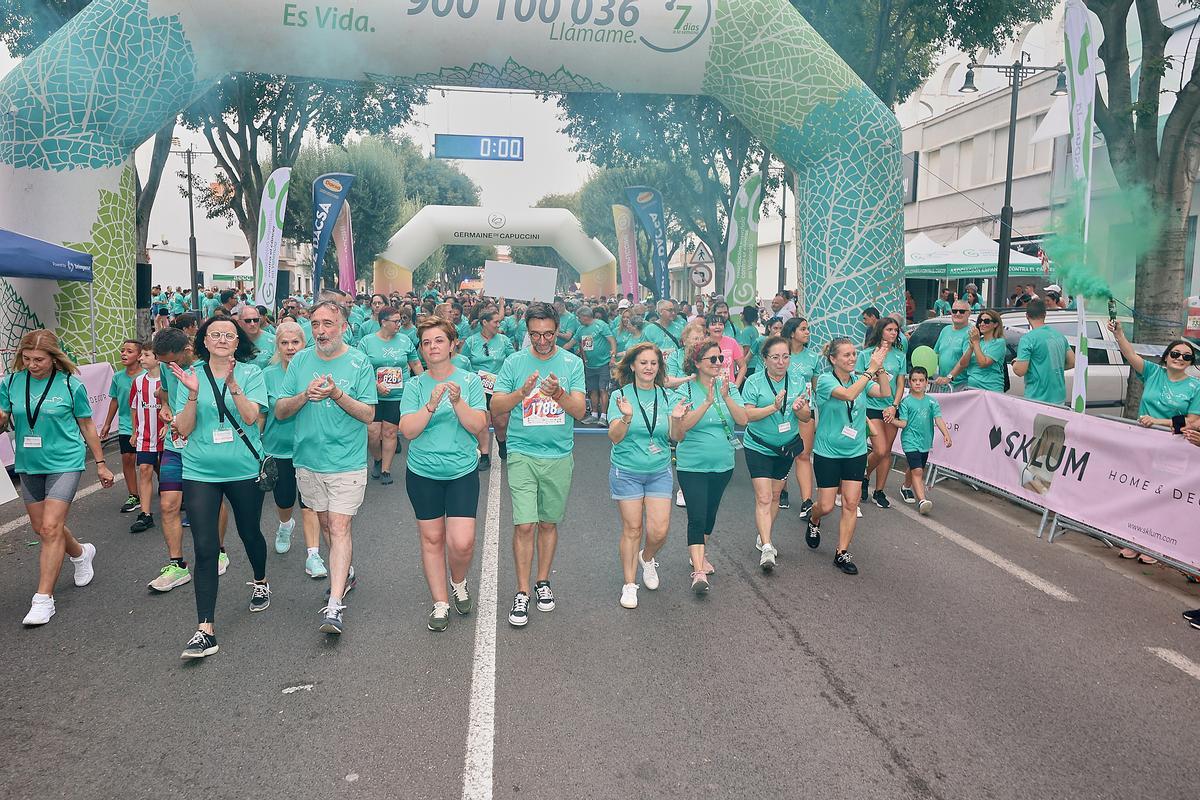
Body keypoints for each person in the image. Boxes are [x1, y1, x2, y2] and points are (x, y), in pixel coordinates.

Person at [167, 317, 271, 659]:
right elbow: (183, 428)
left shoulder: (252, 373)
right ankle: (205, 629)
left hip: (243, 469)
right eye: (215, 334)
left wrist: (234, 385)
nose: (223, 339)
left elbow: (252, 417)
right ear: (205, 341)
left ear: (237, 342)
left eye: (229, 335)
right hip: (200, 470)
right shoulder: (190, 375)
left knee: (249, 532)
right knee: (205, 545)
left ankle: (260, 581)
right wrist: (192, 394)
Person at [276, 300, 378, 635]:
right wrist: (304, 396)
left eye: (328, 324)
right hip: (308, 460)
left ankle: (334, 605)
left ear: (344, 327)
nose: (320, 331)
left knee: (338, 526)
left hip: (347, 461)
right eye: (316, 324)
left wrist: (337, 394)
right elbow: (280, 411)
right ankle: (345, 571)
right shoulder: (300, 361)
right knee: (324, 523)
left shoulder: (359, 362)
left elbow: (368, 414)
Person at [0, 331, 111, 625]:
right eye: (27, 359)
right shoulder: (11, 383)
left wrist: (101, 464)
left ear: (53, 358)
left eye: (38, 359)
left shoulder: (70, 384)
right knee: (43, 528)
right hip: (28, 463)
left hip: (65, 462)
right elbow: (3, 418)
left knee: (50, 527)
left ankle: (43, 599)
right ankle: (81, 553)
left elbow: (87, 425)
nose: (32, 365)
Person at [490, 302, 586, 628]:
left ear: (557, 330)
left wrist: (558, 394)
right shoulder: (515, 362)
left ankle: (542, 582)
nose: (542, 341)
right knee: (525, 525)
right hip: (522, 453)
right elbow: (496, 405)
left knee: (547, 523)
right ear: (527, 332)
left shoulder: (572, 363)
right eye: (535, 335)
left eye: (548, 334)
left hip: (558, 455)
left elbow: (580, 411)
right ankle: (521, 592)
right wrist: (522, 392)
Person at [398, 318, 488, 631]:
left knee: (462, 542)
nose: (432, 347)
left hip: (461, 471)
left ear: (452, 345)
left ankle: (458, 581)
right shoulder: (414, 385)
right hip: (423, 473)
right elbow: (408, 430)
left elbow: (478, 425)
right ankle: (440, 603)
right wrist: (431, 405)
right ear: (421, 350)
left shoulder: (469, 381)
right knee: (432, 538)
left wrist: (457, 400)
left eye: (439, 340)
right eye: (426, 342)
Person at [607, 343, 685, 608]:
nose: (649, 367)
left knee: (659, 531)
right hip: (627, 470)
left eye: (653, 363)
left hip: (659, 470)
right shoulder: (620, 396)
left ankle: (647, 558)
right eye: (643, 363)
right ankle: (630, 584)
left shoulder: (666, 396)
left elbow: (677, 437)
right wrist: (626, 417)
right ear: (632, 366)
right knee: (633, 529)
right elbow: (614, 437)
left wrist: (677, 420)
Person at [805, 338, 890, 575]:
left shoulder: (859, 379)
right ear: (833, 359)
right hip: (828, 452)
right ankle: (814, 519)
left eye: (854, 354)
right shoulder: (825, 381)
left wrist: (880, 368)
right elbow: (849, 395)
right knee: (826, 506)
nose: (852, 358)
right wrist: (870, 370)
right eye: (846, 355)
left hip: (856, 451)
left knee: (851, 503)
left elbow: (885, 392)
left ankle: (841, 552)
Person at [673, 338, 748, 593]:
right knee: (696, 516)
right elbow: (681, 428)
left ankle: (698, 553)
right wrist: (706, 402)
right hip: (692, 465)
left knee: (709, 515)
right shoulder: (685, 390)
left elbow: (743, 419)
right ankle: (698, 571)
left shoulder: (729, 387)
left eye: (721, 358)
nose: (718, 363)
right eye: (712, 359)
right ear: (697, 363)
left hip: (723, 463)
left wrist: (725, 397)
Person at [741, 336, 812, 571]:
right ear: (765, 359)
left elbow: (806, 417)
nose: (781, 362)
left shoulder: (798, 380)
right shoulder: (754, 382)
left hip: (786, 447)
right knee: (763, 497)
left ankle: (764, 535)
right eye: (775, 357)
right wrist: (773, 407)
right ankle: (767, 547)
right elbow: (747, 416)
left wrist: (800, 410)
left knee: (774, 495)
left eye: (785, 357)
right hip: (759, 446)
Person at [263, 321, 326, 576]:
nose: (290, 347)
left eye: (295, 342)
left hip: (309, 447)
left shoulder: (316, 372)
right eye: (285, 343)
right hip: (279, 448)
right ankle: (285, 524)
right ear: (277, 346)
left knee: (309, 502)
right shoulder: (267, 375)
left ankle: (313, 555)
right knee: (284, 499)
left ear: (304, 343)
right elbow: (262, 414)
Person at [358, 306, 422, 484]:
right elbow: (360, 370)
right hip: (373, 395)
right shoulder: (367, 342)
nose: (399, 324)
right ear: (383, 322)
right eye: (395, 321)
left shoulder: (405, 341)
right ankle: (377, 459)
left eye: (400, 320)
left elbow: (415, 363)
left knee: (390, 432)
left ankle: (386, 469)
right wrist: (375, 384)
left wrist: (424, 381)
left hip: (397, 395)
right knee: (372, 433)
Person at [859, 318, 907, 509]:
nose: (893, 333)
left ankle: (879, 491)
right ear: (880, 331)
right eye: (889, 329)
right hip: (871, 406)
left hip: (891, 408)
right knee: (879, 449)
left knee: (886, 451)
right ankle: (864, 475)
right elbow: (859, 382)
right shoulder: (865, 354)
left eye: (896, 330)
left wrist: (894, 405)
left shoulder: (900, 355)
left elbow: (901, 384)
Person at [891, 367, 952, 514]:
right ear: (909, 383)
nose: (917, 383)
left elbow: (938, 419)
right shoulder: (906, 402)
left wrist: (946, 434)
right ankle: (922, 501)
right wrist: (891, 420)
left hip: (925, 442)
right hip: (910, 441)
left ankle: (905, 487)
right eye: (914, 380)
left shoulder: (932, 401)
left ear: (926, 383)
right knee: (917, 470)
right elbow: (903, 423)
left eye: (921, 380)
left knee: (916, 468)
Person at [461, 307, 514, 467]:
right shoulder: (471, 341)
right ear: (484, 322)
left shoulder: (504, 340)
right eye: (496, 322)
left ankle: (501, 441)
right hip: (479, 388)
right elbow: (463, 363)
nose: (499, 325)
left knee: (501, 423)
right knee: (482, 423)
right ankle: (484, 455)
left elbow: (513, 361)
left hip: (500, 387)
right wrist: (471, 377)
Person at [781, 316, 820, 516]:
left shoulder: (813, 357)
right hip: (782, 410)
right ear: (791, 332)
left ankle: (807, 501)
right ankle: (782, 490)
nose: (807, 332)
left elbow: (816, 386)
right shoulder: (780, 354)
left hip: (806, 409)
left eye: (808, 329)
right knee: (783, 452)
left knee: (803, 454)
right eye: (803, 329)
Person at [101, 338, 143, 515]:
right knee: (127, 457)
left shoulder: (147, 375)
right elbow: (115, 400)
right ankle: (134, 495)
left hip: (147, 424)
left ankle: (167, 487)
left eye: (129, 351)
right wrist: (107, 424)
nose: (124, 354)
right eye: (123, 350)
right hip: (126, 424)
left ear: (139, 356)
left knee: (152, 462)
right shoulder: (117, 377)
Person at [128, 344, 164, 534]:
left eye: (146, 355)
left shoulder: (168, 380)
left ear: (158, 359)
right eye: (141, 355)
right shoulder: (138, 382)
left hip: (167, 436)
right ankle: (145, 514)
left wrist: (169, 425)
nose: (141, 358)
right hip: (145, 435)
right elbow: (134, 408)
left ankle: (177, 503)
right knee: (144, 470)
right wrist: (135, 432)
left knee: (167, 473)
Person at [1012, 299, 1073, 405]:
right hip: (1059, 398)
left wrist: (1014, 363)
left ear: (1027, 316)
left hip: (1037, 399)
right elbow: (1072, 362)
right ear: (1044, 314)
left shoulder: (1028, 339)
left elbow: (1020, 371)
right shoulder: (1059, 335)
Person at [945, 309, 1006, 394]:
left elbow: (983, 363)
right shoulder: (978, 340)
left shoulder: (998, 342)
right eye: (980, 321)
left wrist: (976, 343)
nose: (982, 324)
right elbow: (963, 364)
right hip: (972, 388)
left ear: (995, 324)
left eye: (986, 321)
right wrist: (971, 348)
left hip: (991, 389)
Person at [574, 305, 617, 425]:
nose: (578, 320)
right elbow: (576, 342)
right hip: (590, 366)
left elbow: (612, 340)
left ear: (584, 316)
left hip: (603, 364)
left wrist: (613, 357)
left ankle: (603, 416)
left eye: (579, 317)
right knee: (592, 390)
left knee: (603, 389)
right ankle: (594, 414)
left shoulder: (601, 325)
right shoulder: (580, 329)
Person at [932, 300, 974, 390]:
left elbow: (964, 362)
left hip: (961, 386)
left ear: (969, 313)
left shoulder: (971, 333)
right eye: (954, 311)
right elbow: (935, 354)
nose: (957, 314)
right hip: (942, 384)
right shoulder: (945, 330)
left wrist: (949, 377)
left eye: (962, 311)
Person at [704, 313, 745, 385]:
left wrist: (736, 386)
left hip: (729, 387)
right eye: (713, 324)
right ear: (707, 329)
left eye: (720, 324)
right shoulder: (702, 344)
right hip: (708, 387)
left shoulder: (732, 342)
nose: (717, 327)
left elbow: (743, 366)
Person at [237, 305, 275, 370]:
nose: (252, 324)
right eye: (248, 321)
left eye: (256, 320)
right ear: (239, 323)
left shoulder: (274, 341)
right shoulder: (234, 341)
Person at [737, 306, 763, 379]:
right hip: (755, 363)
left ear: (744, 316)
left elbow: (746, 348)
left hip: (749, 364)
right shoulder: (754, 329)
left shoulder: (746, 331)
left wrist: (741, 364)